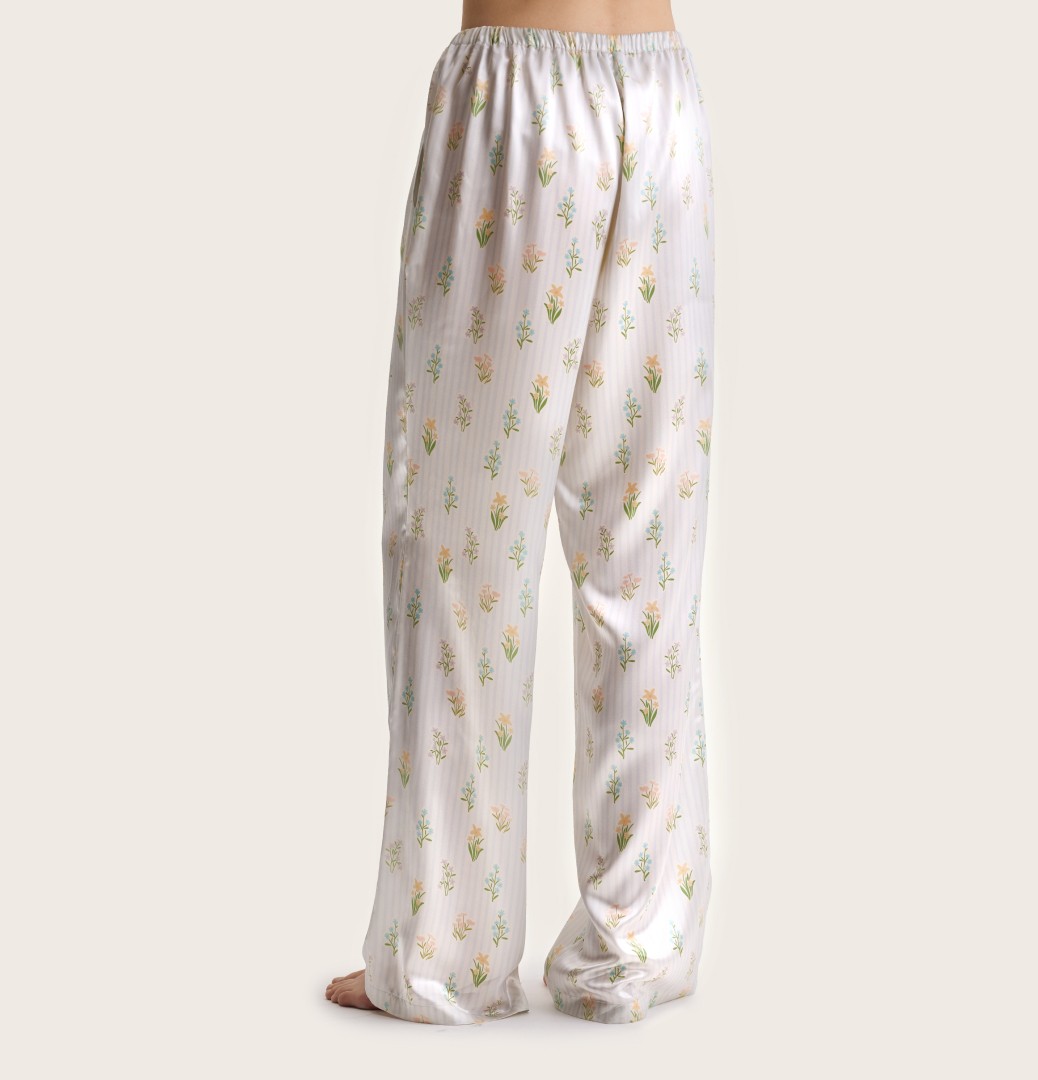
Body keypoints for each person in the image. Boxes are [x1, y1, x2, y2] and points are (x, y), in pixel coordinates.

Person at [326, 0, 716, 1024]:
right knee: (648, 554)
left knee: (460, 550)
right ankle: (641, 938)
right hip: (664, 98)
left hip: (522, 106)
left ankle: (444, 954)